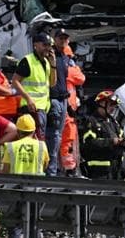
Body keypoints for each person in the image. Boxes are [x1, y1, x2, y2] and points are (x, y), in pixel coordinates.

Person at [12, 33, 56, 141]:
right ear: (35, 45)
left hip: (42, 108)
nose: (48, 48)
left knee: (40, 139)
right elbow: (15, 81)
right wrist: (28, 99)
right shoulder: (27, 61)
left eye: (49, 45)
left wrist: (53, 64)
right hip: (30, 107)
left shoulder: (46, 62)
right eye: (45, 45)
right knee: (33, 139)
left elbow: (52, 83)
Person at [80, 90, 125, 179]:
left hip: (115, 172)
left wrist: (124, 143)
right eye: (111, 104)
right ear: (101, 103)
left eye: (115, 105)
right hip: (99, 173)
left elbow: (122, 137)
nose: (113, 108)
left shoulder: (114, 123)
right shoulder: (92, 122)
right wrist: (111, 142)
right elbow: (89, 143)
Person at [45, 28, 73, 176]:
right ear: (54, 39)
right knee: (54, 135)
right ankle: (51, 169)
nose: (63, 41)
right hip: (53, 99)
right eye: (60, 38)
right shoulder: (51, 54)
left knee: (59, 135)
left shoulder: (65, 56)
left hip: (63, 99)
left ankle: (54, 167)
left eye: (65, 38)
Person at [60, 44, 85, 176]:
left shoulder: (55, 69)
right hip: (68, 113)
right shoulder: (69, 70)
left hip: (61, 110)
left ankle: (63, 166)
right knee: (68, 140)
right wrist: (75, 66)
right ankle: (69, 168)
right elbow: (81, 78)